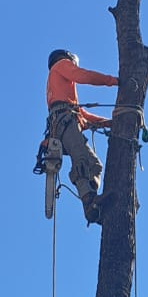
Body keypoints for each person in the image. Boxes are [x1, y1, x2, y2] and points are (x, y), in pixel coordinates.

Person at [46, 49, 118, 223]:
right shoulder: (61, 65)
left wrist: (110, 122)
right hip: (64, 122)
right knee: (81, 160)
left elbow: (82, 116)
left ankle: (93, 207)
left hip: (67, 121)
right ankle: (88, 199)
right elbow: (83, 76)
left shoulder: (63, 95)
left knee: (95, 166)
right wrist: (112, 81)